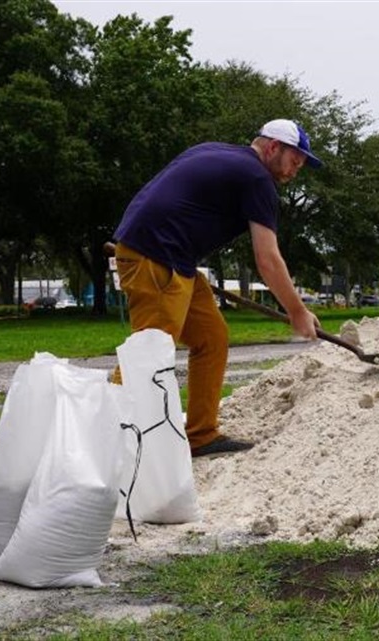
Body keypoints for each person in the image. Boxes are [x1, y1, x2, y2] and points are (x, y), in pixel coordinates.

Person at [112, 119, 323, 457]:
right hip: (157, 257)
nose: (296, 169)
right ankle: (97, 441)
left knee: (211, 337)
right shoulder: (257, 179)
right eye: (294, 160)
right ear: (272, 148)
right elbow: (267, 258)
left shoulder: (218, 152)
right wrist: (297, 311)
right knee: (147, 355)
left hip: (169, 256)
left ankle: (201, 434)